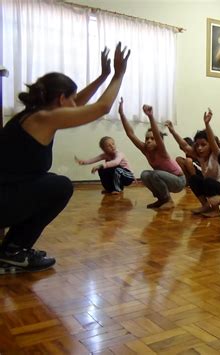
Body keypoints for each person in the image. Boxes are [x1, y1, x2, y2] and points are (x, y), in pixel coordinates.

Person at [0, 43, 130, 273]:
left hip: (6, 195)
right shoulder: (43, 119)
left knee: (49, 181)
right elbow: (101, 107)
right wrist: (119, 74)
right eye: (70, 100)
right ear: (60, 99)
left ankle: (12, 249)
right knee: (60, 186)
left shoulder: (35, 115)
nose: (75, 105)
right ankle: (13, 251)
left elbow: (78, 102)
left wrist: (103, 76)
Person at [165, 108, 220, 217]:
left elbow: (212, 140)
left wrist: (207, 124)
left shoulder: (216, 154)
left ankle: (216, 211)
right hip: (213, 190)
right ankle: (206, 205)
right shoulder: (200, 157)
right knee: (194, 179)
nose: (199, 148)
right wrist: (172, 131)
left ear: (210, 145)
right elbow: (184, 145)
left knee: (208, 181)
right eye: (197, 145)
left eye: (203, 145)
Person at [118, 98, 185, 209]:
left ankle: (169, 201)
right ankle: (162, 199)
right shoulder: (145, 150)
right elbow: (131, 134)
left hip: (179, 181)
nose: (148, 140)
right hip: (165, 178)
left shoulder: (161, 150)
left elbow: (158, 137)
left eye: (152, 138)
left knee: (155, 174)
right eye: (147, 138)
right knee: (145, 174)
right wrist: (121, 114)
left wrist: (150, 116)